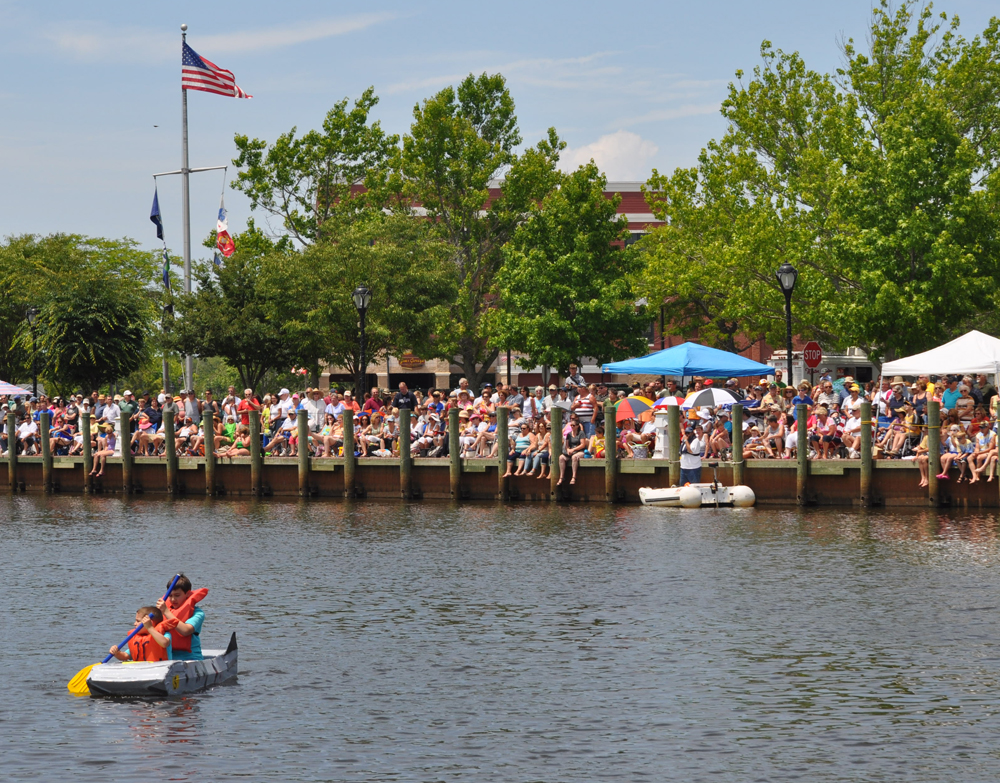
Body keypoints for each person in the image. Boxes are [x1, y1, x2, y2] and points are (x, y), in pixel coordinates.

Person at [156, 574, 208, 661]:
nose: (173, 599)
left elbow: (185, 631)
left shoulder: (198, 613)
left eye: (177, 595)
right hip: (167, 657)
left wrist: (166, 611)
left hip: (191, 658)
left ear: (187, 594)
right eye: (170, 596)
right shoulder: (162, 611)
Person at [109, 606, 177, 663]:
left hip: (161, 670)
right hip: (142, 672)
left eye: (138, 621)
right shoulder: (139, 639)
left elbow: (164, 643)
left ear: (150, 623)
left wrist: (149, 627)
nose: (134, 624)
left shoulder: (165, 634)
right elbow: (125, 656)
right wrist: (117, 653)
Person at [557, 418, 588, 486]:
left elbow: (583, 445)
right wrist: (568, 450)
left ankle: (574, 477)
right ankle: (561, 477)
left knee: (574, 457)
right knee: (561, 457)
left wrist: (573, 450)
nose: (572, 426)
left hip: (579, 451)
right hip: (570, 451)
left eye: (573, 425)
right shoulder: (569, 434)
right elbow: (567, 445)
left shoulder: (581, 433)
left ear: (577, 426)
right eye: (571, 425)